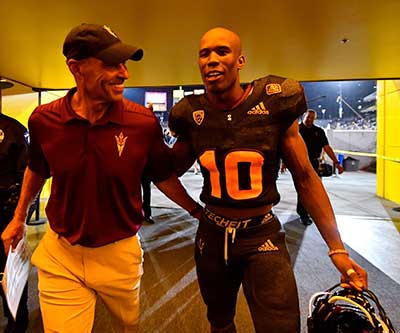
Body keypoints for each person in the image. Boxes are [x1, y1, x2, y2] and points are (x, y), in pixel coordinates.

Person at [1, 23, 202, 333]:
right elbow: (37, 168)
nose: (124, 73)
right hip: (61, 252)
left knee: (127, 325)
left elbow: (163, 176)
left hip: (119, 253)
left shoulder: (141, 122)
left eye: (124, 64)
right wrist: (18, 219)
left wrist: (197, 211)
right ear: (76, 68)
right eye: (111, 64)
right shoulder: (44, 120)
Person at [168, 27, 368, 333]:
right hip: (212, 235)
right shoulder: (190, 113)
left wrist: (337, 249)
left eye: (222, 51)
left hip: (260, 233)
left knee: (281, 326)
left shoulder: (275, 101)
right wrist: (194, 210)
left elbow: (305, 176)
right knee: (219, 322)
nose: (211, 59)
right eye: (204, 53)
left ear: (240, 61)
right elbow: (164, 170)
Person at [0, 112, 29, 332]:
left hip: (7, 212)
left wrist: (19, 215)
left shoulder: (13, 129)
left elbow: (28, 175)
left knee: (10, 266)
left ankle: (17, 319)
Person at [296, 109, 344, 225]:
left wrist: (336, 162)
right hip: (300, 163)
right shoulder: (296, 130)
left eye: (312, 118)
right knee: (304, 190)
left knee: (314, 190)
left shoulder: (319, 131)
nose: (309, 120)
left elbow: (327, 148)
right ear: (303, 117)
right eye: (308, 117)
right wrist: (284, 163)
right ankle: (303, 214)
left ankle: (310, 212)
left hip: (315, 164)